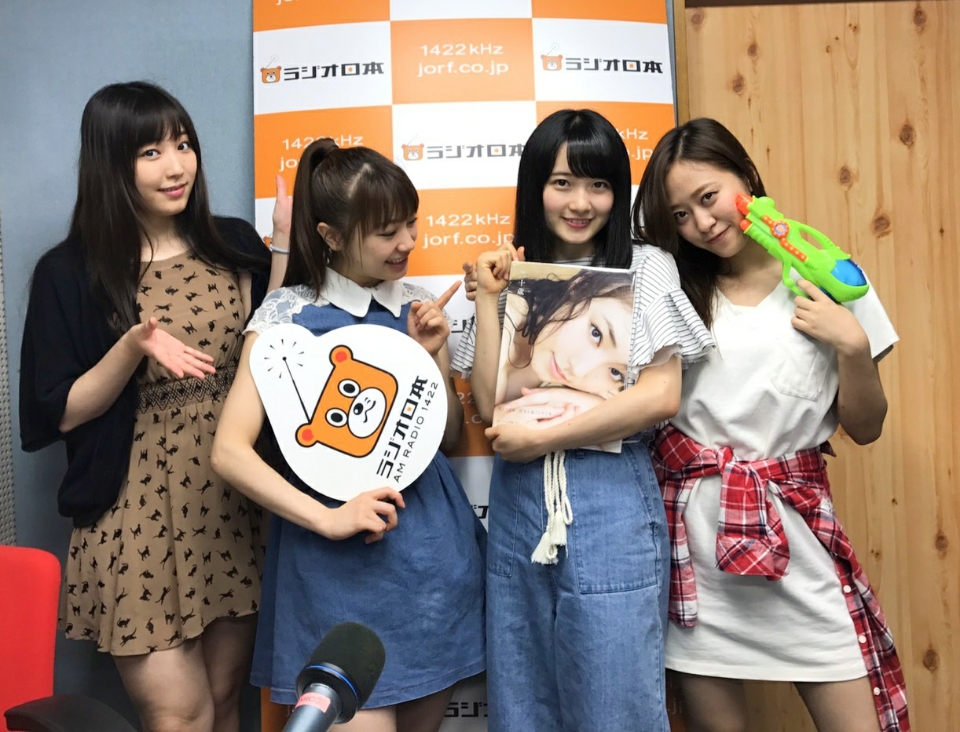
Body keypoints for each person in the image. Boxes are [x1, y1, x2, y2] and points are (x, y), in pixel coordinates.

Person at [18, 81, 291, 732]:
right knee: (180, 715)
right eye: (151, 152)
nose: (176, 166)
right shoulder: (70, 271)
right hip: (133, 510)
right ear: (111, 164)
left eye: (184, 144)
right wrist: (132, 347)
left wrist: (281, 244)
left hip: (230, 501)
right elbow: (59, 411)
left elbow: (269, 345)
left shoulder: (230, 242)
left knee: (224, 702)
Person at [634, 117, 909, 732]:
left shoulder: (826, 273)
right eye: (680, 215)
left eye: (709, 197)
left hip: (797, 531)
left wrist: (853, 346)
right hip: (696, 549)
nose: (703, 223)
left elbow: (866, 427)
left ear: (746, 177)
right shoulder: (674, 289)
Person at [210, 138, 486, 732]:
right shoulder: (286, 317)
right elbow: (228, 451)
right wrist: (327, 518)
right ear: (331, 235)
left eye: (411, 223)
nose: (407, 242)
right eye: (387, 231)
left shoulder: (417, 305)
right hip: (329, 570)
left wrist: (431, 357)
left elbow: (448, 440)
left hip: (430, 564)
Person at [452, 109, 714, 731]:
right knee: (521, 702)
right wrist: (489, 299)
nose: (581, 202)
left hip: (611, 500)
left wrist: (543, 435)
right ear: (535, 187)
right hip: (518, 507)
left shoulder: (648, 266)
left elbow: (660, 396)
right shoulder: (514, 271)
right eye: (562, 182)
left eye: (599, 185)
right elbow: (489, 405)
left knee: (615, 704)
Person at [492, 268, 634, 432]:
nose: (578, 370)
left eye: (615, 372)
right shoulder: (506, 314)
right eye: (596, 333)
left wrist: (592, 405)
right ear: (580, 288)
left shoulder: (610, 390)